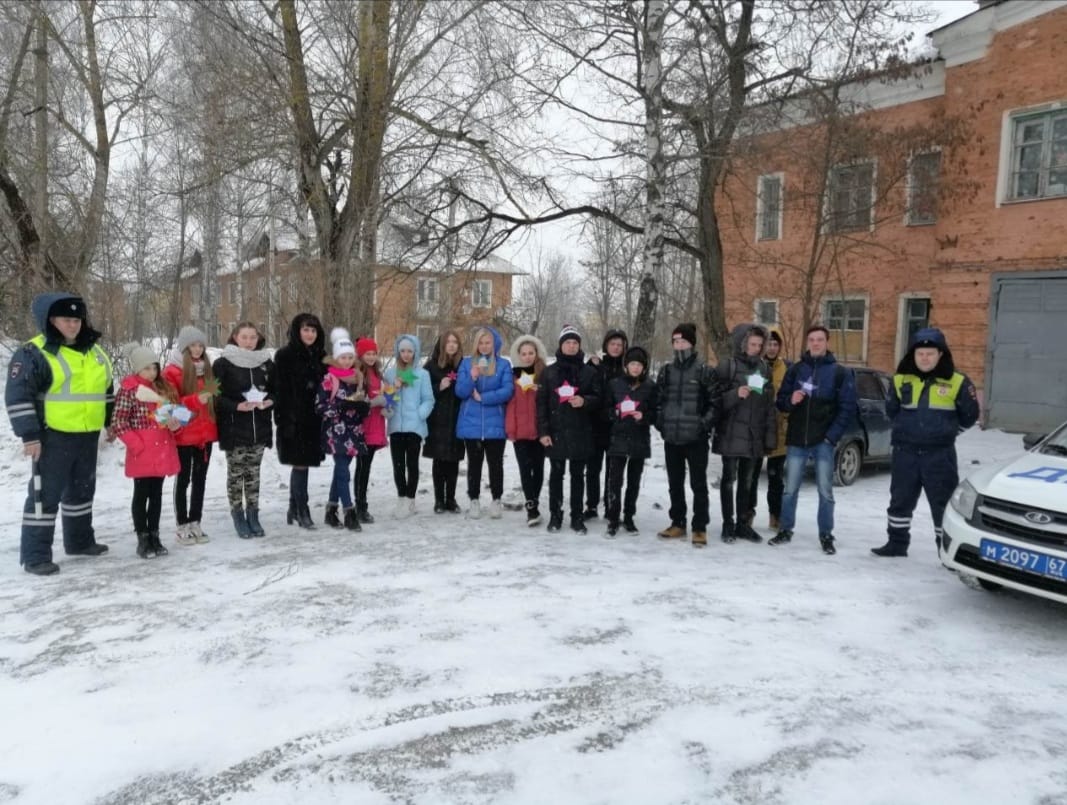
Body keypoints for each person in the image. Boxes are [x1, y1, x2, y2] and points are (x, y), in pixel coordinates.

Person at [6, 292, 114, 575]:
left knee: (82, 491)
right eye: (67, 320)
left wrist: (110, 422)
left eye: (77, 319)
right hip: (52, 436)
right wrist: (29, 435)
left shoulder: (95, 351)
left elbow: (107, 390)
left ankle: (79, 541)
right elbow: (19, 396)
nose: (73, 325)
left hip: (87, 435)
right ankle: (36, 555)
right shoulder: (34, 352)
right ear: (51, 320)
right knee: (45, 496)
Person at [873, 327, 979, 557]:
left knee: (942, 504)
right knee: (900, 500)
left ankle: (945, 550)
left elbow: (970, 416)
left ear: (941, 355)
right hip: (905, 452)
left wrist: (946, 433)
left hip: (939, 456)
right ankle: (897, 543)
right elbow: (892, 411)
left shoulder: (958, 381)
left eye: (930, 353)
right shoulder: (900, 379)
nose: (925, 358)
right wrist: (908, 431)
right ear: (913, 354)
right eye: (920, 353)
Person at [771, 324, 856, 555]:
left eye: (820, 339)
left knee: (825, 491)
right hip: (797, 439)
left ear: (827, 342)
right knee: (790, 489)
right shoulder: (796, 370)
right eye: (812, 340)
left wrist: (831, 437)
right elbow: (781, 401)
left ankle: (826, 534)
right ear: (807, 343)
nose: (816, 343)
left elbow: (847, 409)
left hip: (823, 442)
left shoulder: (840, 373)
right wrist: (792, 400)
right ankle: (785, 530)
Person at [112, 344, 182, 558]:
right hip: (142, 451)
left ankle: (155, 535)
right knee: (141, 494)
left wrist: (175, 423)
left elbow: (171, 416)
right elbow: (119, 422)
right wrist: (137, 445)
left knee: (157, 494)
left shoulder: (161, 388)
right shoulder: (129, 389)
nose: (152, 372)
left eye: (154, 368)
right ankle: (142, 538)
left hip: (161, 448)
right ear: (137, 369)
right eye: (147, 368)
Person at [655, 322, 720, 547]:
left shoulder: (704, 371)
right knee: (675, 483)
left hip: (696, 439)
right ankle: (678, 523)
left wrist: (703, 425)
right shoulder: (667, 371)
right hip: (672, 437)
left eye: (683, 341)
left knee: (698, 484)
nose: (679, 344)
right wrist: (661, 423)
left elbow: (715, 403)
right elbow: (658, 401)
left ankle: (700, 527)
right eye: (676, 341)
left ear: (692, 343)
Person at [713, 324, 777, 544]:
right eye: (753, 344)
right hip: (731, 434)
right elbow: (714, 401)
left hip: (753, 436)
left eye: (760, 345)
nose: (757, 348)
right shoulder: (727, 366)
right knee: (729, 480)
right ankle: (727, 525)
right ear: (743, 344)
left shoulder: (765, 369)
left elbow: (769, 406)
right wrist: (734, 394)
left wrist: (769, 437)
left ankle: (742, 524)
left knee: (747, 482)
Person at [537, 324, 602, 534]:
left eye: (575, 343)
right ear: (561, 345)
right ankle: (555, 515)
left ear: (579, 345)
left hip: (581, 432)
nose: (572, 346)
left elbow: (599, 398)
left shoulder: (589, 372)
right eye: (568, 342)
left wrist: (584, 401)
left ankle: (577, 516)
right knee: (556, 475)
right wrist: (544, 432)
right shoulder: (549, 372)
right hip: (556, 432)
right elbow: (541, 405)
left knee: (577, 476)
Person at [213, 321, 274, 539]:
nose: (249, 342)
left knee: (254, 474)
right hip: (234, 428)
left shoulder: (266, 362)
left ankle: (253, 514)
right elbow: (215, 396)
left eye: (253, 337)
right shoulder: (223, 363)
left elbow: (278, 390)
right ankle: (238, 514)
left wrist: (270, 401)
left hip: (259, 427)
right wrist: (236, 406)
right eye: (244, 337)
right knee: (236, 474)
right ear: (235, 338)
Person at [162, 325, 219, 546]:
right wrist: (197, 400)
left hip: (205, 435)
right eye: (193, 345)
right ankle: (182, 524)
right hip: (184, 435)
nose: (197, 349)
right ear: (184, 347)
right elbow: (171, 405)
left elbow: (214, 399)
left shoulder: (208, 368)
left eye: (200, 345)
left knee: (200, 480)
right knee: (183, 480)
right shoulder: (172, 371)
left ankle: (196, 520)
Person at [272, 313, 326, 530]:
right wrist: (286, 420)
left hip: (314, 420)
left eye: (313, 330)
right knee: (300, 464)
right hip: (293, 420)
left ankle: (293, 508)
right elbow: (279, 389)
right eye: (306, 329)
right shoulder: (284, 356)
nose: (310, 334)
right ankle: (302, 510)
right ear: (297, 331)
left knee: (303, 465)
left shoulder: (321, 356)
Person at [455, 326, 514, 519]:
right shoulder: (466, 364)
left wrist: (484, 398)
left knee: (495, 464)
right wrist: (472, 376)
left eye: (487, 342)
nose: (484, 346)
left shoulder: (503, 365)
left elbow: (507, 391)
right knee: (474, 465)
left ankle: (496, 500)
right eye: (480, 342)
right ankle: (474, 500)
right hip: (471, 424)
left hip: (495, 423)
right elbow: (461, 392)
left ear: (494, 344)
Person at [317, 329, 369, 530]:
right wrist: (340, 407)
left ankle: (330, 510)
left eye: (350, 357)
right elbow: (319, 407)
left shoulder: (358, 378)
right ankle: (349, 511)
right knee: (343, 472)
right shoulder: (329, 379)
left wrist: (362, 407)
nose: (347, 361)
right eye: (343, 357)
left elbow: (362, 399)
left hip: (354, 431)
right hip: (335, 432)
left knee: (342, 471)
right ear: (336, 358)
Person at [604, 345, 658, 537]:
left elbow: (655, 413)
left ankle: (629, 517)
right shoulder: (615, 384)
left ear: (644, 368)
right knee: (615, 482)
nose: (635, 368)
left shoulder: (650, 387)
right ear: (626, 366)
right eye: (632, 364)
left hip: (639, 440)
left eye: (639, 365)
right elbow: (605, 410)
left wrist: (643, 416)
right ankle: (612, 519)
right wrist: (616, 413)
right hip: (618, 439)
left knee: (634, 482)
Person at [384, 333, 435, 517]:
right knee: (397, 465)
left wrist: (419, 415)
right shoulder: (390, 374)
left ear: (415, 353)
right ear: (398, 351)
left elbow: (429, 400)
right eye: (403, 351)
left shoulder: (422, 375)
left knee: (411, 464)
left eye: (410, 351)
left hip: (415, 427)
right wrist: (395, 388)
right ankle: (401, 498)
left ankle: (411, 499)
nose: (406, 354)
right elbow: (387, 402)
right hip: (396, 426)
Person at [747, 327, 790, 531]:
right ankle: (748, 513)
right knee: (752, 475)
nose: (772, 348)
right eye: (769, 344)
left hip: (779, 431)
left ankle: (775, 514)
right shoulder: (756, 367)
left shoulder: (786, 369)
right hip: (757, 428)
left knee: (775, 477)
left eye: (775, 344)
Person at [506, 334, 549, 526]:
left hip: (539, 431)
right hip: (521, 432)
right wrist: (511, 430)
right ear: (518, 355)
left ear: (537, 353)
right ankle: (531, 506)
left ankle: (535, 502)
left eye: (531, 353)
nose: (527, 357)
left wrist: (539, 389)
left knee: (538, 468)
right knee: (525, 469)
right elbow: (510, 405)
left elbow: (550, 402)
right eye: (523, 353)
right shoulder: (513, 375)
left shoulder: (544, 374)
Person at [586, 328, 628, 520]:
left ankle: (611, 507)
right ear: (606, 345)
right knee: (593, 469)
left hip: (617, 426)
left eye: (620, 345)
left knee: (614, 472)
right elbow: (587, 388)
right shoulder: (595, 365)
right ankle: (592, 506)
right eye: (613, 344)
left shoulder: (628, 368)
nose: (616, 348)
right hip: (595, 426)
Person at [423, 330, 466, 514]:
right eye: (448, 342)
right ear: (442, 345)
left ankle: (451, 498)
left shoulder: (463, 366)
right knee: (439, 461)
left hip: (457, 418)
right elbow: (422, 393)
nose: (451, 345)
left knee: (453, 461)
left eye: (455, 342)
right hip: (437, 420)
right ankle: (439, 500)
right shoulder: (431, 367)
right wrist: (438, 387)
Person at [352, 337, 388, 523]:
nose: (371, 357)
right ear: (361, 355)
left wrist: (386, 405)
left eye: (374, 353)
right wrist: (373, 402)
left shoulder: (377, 374)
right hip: (363, 426)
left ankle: (361, 504)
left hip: (376, 424)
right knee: (362, 467)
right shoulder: (358, 373)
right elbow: (356, 400)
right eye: (368, 353)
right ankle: (360, 506)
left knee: (366, 466)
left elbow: (384, 394)